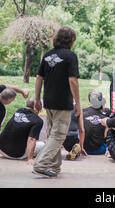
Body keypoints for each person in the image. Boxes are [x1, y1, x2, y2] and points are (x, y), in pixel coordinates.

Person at [32, 26, 81, 178]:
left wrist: (37, 98)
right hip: (62, 102)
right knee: (58, 135)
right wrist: (78, 103)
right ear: (71, 41)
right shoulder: (71, 56)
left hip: (48, 101)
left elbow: (39, 77)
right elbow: (73, 80)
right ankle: (40, 164)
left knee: (53, 134)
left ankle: (55, 166)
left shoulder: (47, 55)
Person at [0, 98, 45, 165]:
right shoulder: (38, 121)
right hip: (16, 154)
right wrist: (30, 159)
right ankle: (29, 155)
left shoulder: (19, 111)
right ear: (36, 107)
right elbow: (31, 139)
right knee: (43, 145)